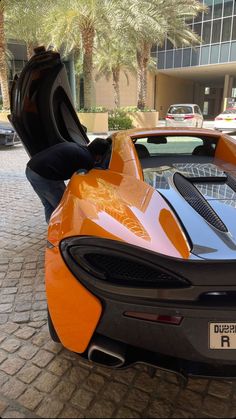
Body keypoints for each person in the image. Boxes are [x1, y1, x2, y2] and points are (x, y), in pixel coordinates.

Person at [25, 138, 109, 223]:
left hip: (31, 169)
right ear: (99, 155)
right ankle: (61, 231)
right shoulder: (87, 159)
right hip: (44, 175)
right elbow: (90, 182)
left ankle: (52, 227)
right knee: (64, 206)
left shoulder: (79, 147)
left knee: (48, 203)